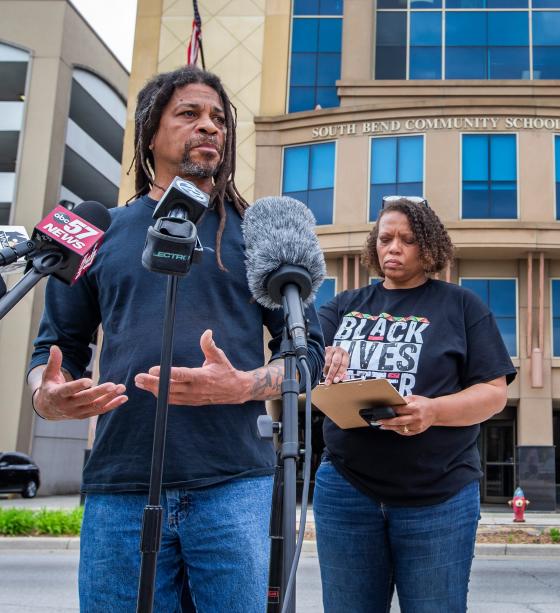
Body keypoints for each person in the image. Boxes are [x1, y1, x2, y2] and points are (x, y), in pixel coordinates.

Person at [27, 66, 324, 611]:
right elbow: (57, 350)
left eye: (218, 118)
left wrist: (244, 385)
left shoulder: (260, 232)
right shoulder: (98, 232)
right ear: (149, 132)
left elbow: (309, 358)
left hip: (233, 485)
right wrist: (45, 397)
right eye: (189, 114)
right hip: (120, 484)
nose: (209, 127)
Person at [313, 196, 517, 613]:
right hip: (346, 488)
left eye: (407, 240)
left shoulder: (462, 306)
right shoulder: (343, 306)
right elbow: (302, 364)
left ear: (428, 247)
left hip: (437, 496)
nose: (393, 248)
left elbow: (494, 393)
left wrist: (433, 411)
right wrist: (321, 358)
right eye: (385, 238)